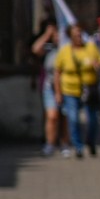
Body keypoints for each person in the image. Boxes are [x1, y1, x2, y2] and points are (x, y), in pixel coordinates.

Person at [55, 23, 100, 159]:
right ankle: (78, 146)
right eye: (75, 35)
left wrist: (98, 65)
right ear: (70, 37)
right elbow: (57, 72)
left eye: (79, 34)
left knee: (92, 120)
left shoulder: (91, 48)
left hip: (89, 89)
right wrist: (58, 92)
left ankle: (91, 141)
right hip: (70, 89)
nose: (78, 37)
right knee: (73, 119)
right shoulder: (64, 51)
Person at [31, 19, 62, 156]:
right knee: (51, 116)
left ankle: (64, 143)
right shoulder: (48, 47)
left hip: (67, 85)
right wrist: (47, 35)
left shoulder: (67, 46)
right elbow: (35, 49)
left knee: (64, 117)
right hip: (49, 86)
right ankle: (50, 143)